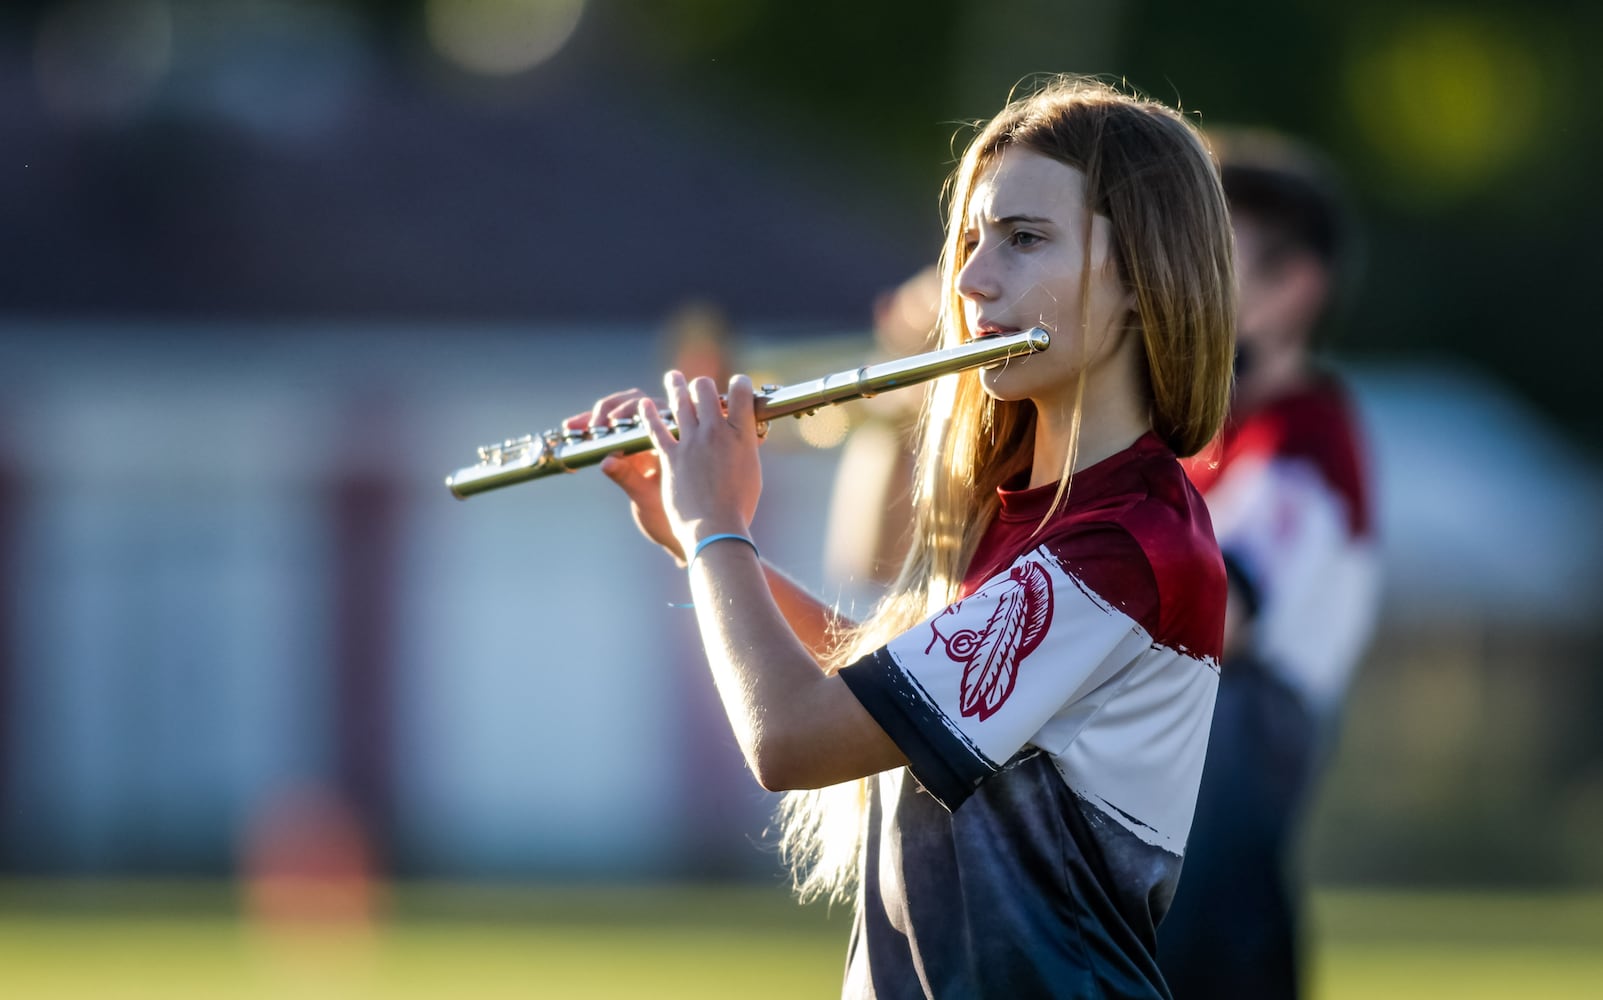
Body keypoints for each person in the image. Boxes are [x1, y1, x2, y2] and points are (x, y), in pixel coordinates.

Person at [571, 75, 1236, 998]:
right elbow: (865, 690)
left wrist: (716, 525)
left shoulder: (1124, 549)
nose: (970, 280)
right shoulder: (1023, 514)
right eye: (971, 239)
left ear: (1141, 277)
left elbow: (794, 741)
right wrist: (697, 541)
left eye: (1024, 239)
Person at [1155, 130, 1380, 1000]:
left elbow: (1216, 616)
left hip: (1214, 852)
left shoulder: (1304, 448)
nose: (1178, 285)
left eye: (1213, 259)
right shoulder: (1203, 444)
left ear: (1294, 290)